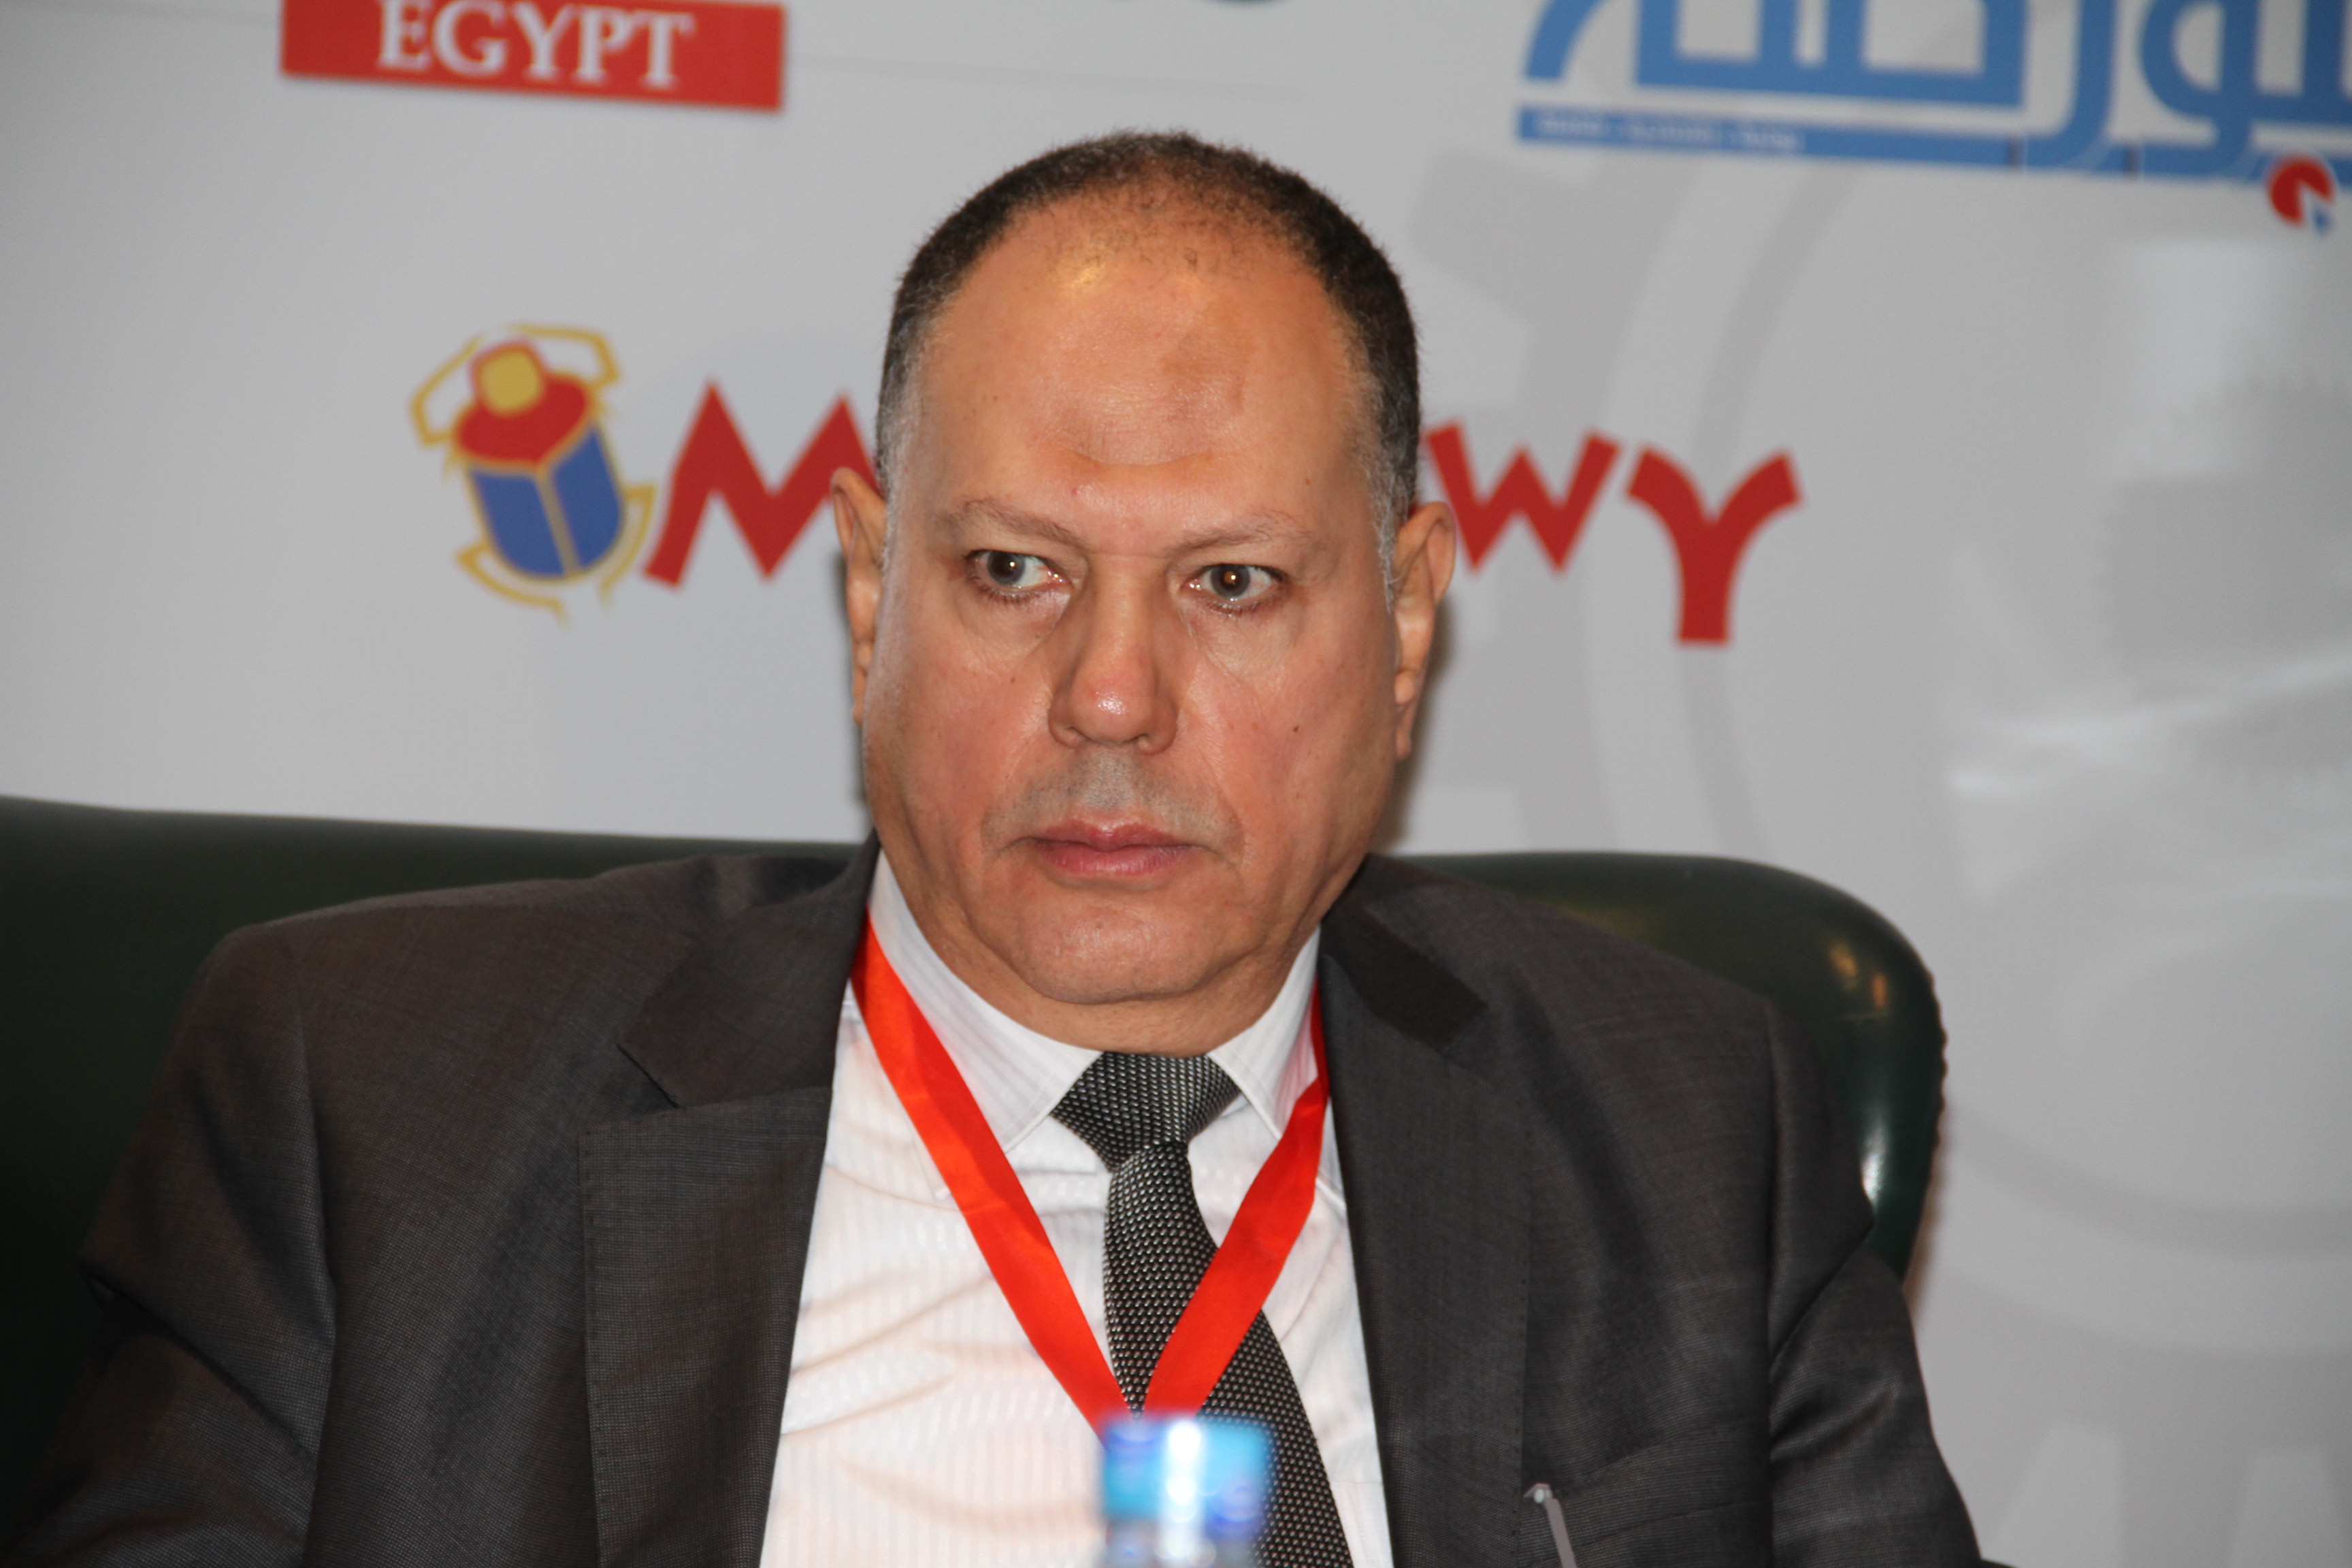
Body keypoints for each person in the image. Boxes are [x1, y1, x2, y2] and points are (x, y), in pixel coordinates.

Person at [9, 133, 1978, 1567]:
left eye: (1231, 582)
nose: (1110, 696)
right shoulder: (370, 1106)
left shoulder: (1692, 1129)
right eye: (1015, 570)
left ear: (1401, 624)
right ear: (874, 593)